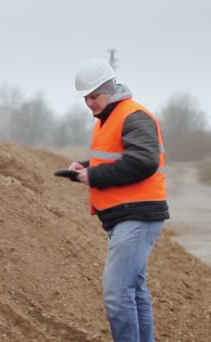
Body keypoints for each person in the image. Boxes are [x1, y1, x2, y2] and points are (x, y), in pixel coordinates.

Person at [69, 58, 170, 342]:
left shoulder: (134, 116)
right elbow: (115, 157)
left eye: (94, 96)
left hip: (138, 216)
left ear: (110, 88)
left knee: (116, 293)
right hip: (123, 216)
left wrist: (96, 176)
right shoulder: (107, 119)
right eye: (85, 98)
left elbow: (143, 161)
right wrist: (86, 166)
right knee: (133, 291)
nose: (89, 103)